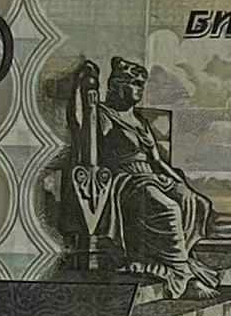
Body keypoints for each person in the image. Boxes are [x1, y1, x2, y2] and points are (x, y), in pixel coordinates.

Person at [74, 57, 217, 299]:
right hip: (125, 180)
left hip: (151, 175)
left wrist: (181, 184)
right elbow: (86, 139)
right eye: (134, 84)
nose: (139, 90)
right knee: (169, 208)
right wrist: (87, 99)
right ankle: (182, 275)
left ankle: (174, 258)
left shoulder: (140, 121)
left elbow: (157, 161)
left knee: (197, 203)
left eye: (141, 85)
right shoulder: (103, 114)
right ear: (117, 86)